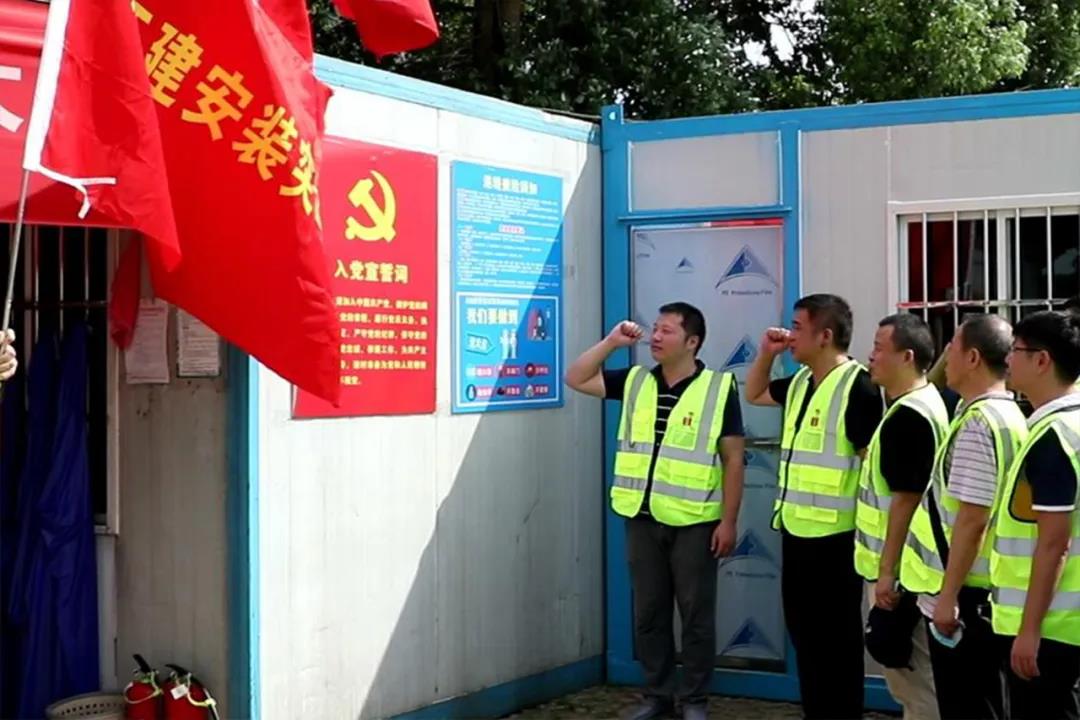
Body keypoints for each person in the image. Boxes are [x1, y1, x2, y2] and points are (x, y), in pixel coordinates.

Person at [565, 302, 745, 720]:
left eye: (667, 330)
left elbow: (734, 459)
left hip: (695, 521)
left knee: (695, 615)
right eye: (656, 329)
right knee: (649, 613)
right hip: (642, 518)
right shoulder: (635, 381)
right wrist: (612, 342)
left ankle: (695, 700)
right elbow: (576, 377)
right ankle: (657, 695)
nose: (656, 337)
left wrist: (729, 521)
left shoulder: (718, 388)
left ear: (692, 341)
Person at [745, 293, 884, 720]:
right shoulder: (801, 382)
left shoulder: (859, 387)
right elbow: (755, 393)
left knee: (838, 643)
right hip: (796, 530)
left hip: (838, 539)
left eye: (797, 328)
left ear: (825, 336)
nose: (790, 336)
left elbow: (872, 471)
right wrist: (766, 354)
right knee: (804, 637)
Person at [900, 313, 1027, 720]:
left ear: (972, 358)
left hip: (966, 595)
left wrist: (948, 597)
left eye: (952, 347)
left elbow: (973, 520)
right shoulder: (1009, 414)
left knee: (968, 707)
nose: (945, 356)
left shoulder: (977, 423)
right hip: (989, 587)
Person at [855, 313, 948, 719]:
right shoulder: (927, 402)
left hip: (903, 574)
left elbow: (905, 501)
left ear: (907, 356)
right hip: (912, 570)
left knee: (914, 683)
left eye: (879, 348)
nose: (870, 356)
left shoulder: (908, 416)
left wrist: (886, 572)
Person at [990, 310, 1080, 719]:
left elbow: (1054, 542)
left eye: (1016, 350)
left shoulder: (1053, 436)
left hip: (1050, 628)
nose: (1007, 359)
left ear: (1042, 360)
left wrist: (1029, 631)